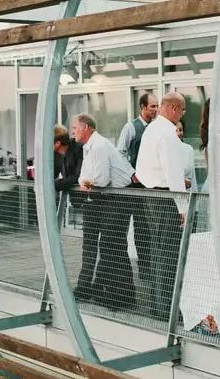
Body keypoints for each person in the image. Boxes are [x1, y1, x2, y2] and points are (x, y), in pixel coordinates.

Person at [71, 113, 136, 310]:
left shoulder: (98, 146)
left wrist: (87, 183)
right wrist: (86, 182)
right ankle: (113, 293)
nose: (73, 131)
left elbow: (99, 179)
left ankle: (120, 295)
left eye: (75, 127)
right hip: (108, 198)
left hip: (119, 197)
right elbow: (84, 177)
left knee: (112, 245)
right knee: (112, 246)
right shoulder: (89, 146)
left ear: (87, 127)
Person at [136, 92, 188, 320]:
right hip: (166, 198)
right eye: (183, 110)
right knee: (169, 255)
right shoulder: (168, 134)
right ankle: (168, 309)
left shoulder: (151, 129)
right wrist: (183, 207)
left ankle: (158, 307)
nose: (182, 115)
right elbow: (173, 174)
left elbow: (140, 169)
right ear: (175, 109)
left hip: (150, 195)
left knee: (157, 252)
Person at [115, 93, 156, 279]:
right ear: (143, 107)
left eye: (157, 106)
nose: (155, 110)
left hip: (152, 183)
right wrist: (132, 173)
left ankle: (151, 266)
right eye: (152, 107)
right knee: (140, 226)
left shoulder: (157, 127)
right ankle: (144, 269)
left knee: (149, 226)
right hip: (136, 184)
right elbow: (120, 152)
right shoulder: (131, 127)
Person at [52, 125, 80, 191]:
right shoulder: (55, 153)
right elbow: (53, 174)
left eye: (47, 141)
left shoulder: (79, 148)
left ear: (57, 143)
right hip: (71, 196)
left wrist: (56, 184)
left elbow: (77, 176)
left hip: (87, 196)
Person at [175, 119, 195, 189]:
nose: (178, 133)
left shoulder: (189, 149)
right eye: (175, 130)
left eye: (180, 130)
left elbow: (193, 177)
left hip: (187, 194)